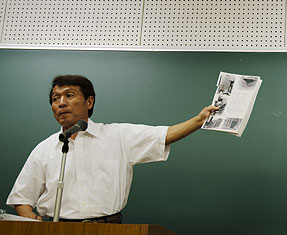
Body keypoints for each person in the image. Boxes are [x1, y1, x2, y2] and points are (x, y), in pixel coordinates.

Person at [6, 74, 218, 223]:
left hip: (108, 228)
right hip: (58, 229)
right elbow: (22, 198)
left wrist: (198, 121)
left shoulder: (118, 136)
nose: (61, 103)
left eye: (69, 95)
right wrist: (28, 218)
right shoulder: (44, 149)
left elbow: (165, 135)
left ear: (89, 102)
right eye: (55, 98)